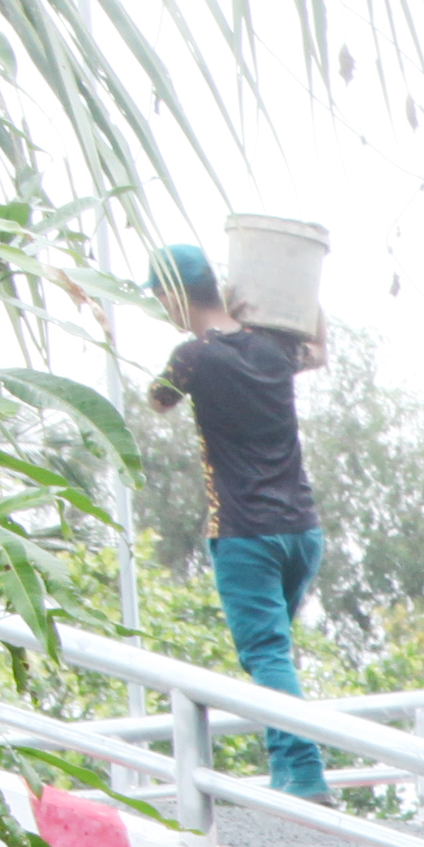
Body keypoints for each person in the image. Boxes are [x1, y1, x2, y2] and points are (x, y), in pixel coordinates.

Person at [139, 243, 330, 805]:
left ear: (174, 295)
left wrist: (105, 327)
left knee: (267, 656)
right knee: (276, 654)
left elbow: (157, 401)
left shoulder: (194, 357)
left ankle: (307, 777)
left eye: (159, 298)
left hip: (246, 533)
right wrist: (303, 300)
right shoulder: (273, 349)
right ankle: (288, 776)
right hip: (302, 531)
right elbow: (317, 348)